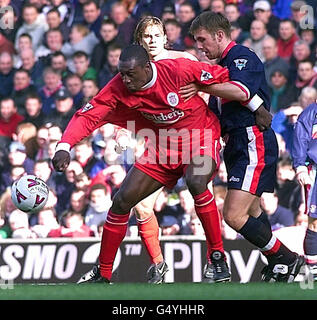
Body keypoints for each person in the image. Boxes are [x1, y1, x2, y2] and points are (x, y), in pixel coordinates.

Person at [52, 43, 230, 284]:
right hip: (162, 147)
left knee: (197, 182)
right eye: (121, 73)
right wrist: (64, 145)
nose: (124, 79)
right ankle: (103, 273)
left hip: (200, 138)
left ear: (148, 67)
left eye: (130, 74)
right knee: (122, 201)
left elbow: (227, 77)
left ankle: (217, 257)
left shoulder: (178, 70)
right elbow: (89, 114)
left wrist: (252, 106)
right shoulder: (118, 86)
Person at [179, 11, 304, 282]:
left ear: (220, 36)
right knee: (253, 211)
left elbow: (242, 91)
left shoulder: (241, 57)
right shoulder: (222, 65)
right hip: (236, 143)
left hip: (251, 140)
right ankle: (279, 265)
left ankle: (288, 258)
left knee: (233, 215)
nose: (199, 46)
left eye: (202, 39)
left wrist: (204, 85)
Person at [117, 16, 229, 284]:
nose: (152, 40)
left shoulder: (185, 60)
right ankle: (158, 266)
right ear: (139, 42)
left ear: (166, 38)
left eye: (157, 35)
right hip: (159, 145)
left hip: (195, 141)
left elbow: (212, 90)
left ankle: (217, 258)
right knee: (140, 207)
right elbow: (124, 107)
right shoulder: (133, 71)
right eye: (147, 36)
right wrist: (122, 130)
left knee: (200, 192)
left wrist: (217, 130)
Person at [292, 102, 317, 279]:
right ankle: (313, 269)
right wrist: (300, 166)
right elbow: (300, 138)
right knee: (315, 221)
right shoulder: (309, 114)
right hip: (315, 170)